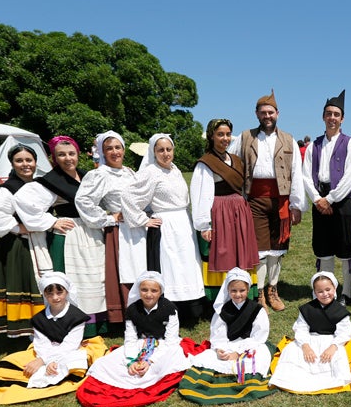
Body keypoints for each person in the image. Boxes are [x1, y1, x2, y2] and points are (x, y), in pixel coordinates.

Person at [14, 135, 109, 336]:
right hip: (72, 233)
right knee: (79, 280)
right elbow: (23, 201)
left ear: (78, 155)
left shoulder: (86, 176)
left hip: (93, 231)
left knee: (97, 277)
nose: (68, 159)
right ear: (54, 158)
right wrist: (52, 221)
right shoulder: (51, 181)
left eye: (71, 154)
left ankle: (102, 322)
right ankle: (81, 326)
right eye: (61, 155)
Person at [0, 272, 108, 405]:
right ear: (45, 295)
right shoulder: (39, 319)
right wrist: (43, 359)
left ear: (67, 293)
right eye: (50, 293)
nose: (55, 297)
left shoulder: (77, 317)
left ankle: (53, 376)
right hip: (44, 352)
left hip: (69, 351)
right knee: (11, 360)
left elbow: (70, 345)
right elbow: (41, 343)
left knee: (76, 362)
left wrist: (48, 361)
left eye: (59, 292)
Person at [77, 271, 195, 407]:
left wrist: (149, 360)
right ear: (138, 290)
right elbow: (130, 338)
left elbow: (171, 340)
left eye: (154, 290)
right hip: (140, 343)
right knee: (105, 363)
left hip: (164, 345)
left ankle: (148, 375)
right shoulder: (133, 310)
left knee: (168, 361)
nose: (148, 294)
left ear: (160, 291)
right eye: (144, 290)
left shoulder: (170, 309)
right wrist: (131, 360)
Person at [121, 133, 207, 324]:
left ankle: (191, 309)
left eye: (169, 149)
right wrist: (143, 220)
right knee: (172, 267)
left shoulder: (175, 170)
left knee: (187, 266)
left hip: (184, 223)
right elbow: (128, 196)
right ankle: (171, 311)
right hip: (166, 225)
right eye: (161, 150)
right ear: (154, 152)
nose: (166, 153)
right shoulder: (150, 172)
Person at [237, 90, 305, 312]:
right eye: (263, 112)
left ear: (278, 113)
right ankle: (258, 294)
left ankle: (272, 290)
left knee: (277, 250)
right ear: (256, 114)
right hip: (254, 200)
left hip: (281, 200)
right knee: (260, 251)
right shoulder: (245, 137)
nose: (267, 116)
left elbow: (296, 172)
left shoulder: (289, 140)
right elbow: (231, 162)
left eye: (271, 112)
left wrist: (296, 205)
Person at [75, 131, 146, 324]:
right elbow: (83, 200)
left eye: (117, 147)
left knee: (142, 268)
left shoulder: (130, 172)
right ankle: (126, 313)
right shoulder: (99, 174)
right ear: (103, 152)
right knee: (126, 270)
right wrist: (108, 217)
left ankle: (146, 311)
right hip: (120, 231)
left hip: (139, 228)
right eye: (109, 148)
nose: (114, 152)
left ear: (123, 149)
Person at [179, 268, 276, 405]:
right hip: (228, 345)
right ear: (227, 291)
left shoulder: (257, 310)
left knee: (260, 357)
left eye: (242, 290)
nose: (238, 294)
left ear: (248, 290)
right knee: (207, 357)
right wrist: (220, 349)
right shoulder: (223, 310)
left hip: (250, 345)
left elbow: (258, 337)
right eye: (233, 291)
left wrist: (238, 352)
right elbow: (218, 336)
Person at [0, 144, 45, 338]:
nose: (25, 164)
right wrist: (18, 228)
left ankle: (41, 325)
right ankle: (25, 327)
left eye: (29, 160)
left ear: (35, 162)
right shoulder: (8, 189)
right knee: (24, 283)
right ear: (12, 163)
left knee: (39, 282)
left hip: (38, 241)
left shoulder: (38, 185)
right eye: (19, 160)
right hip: (18, 244)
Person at [302, 90, 351, 304]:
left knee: (345, 248)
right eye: (329, 113)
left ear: (342, 118)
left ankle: (346, 292)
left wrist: (331, 199)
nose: (332, 118)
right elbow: (306, 175)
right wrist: (318, 199)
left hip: (342, 201)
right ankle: (326, 291)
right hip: (320, 201)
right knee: (323, 248)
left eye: (336, 114)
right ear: (323, 117)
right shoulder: (313, 146)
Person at [190, 118, 259, 299]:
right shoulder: (205, 162)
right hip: (220, 212)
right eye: (220, 134)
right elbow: (201, 194)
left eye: (228, 134)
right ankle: (221, 296)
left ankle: (243, 293)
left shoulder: (235, 159)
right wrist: (204, 224)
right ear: (211, 136)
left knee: (240, 251)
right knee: (223, 253)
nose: (225, 138)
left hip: (239, 211)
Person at [268, 271, 351, 394]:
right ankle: (296, 380)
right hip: (310, 339)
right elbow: (301, 329)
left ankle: (330, 380)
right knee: (292, 351)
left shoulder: (339, 311)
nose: (325, 294)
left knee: (337, 356)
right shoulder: (308, 309)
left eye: (328, 289)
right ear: (315, 292)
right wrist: (305, 346)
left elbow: (344, 332)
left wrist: (333, 347)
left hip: (331, 341)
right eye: (320, 291)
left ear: (334, 288)